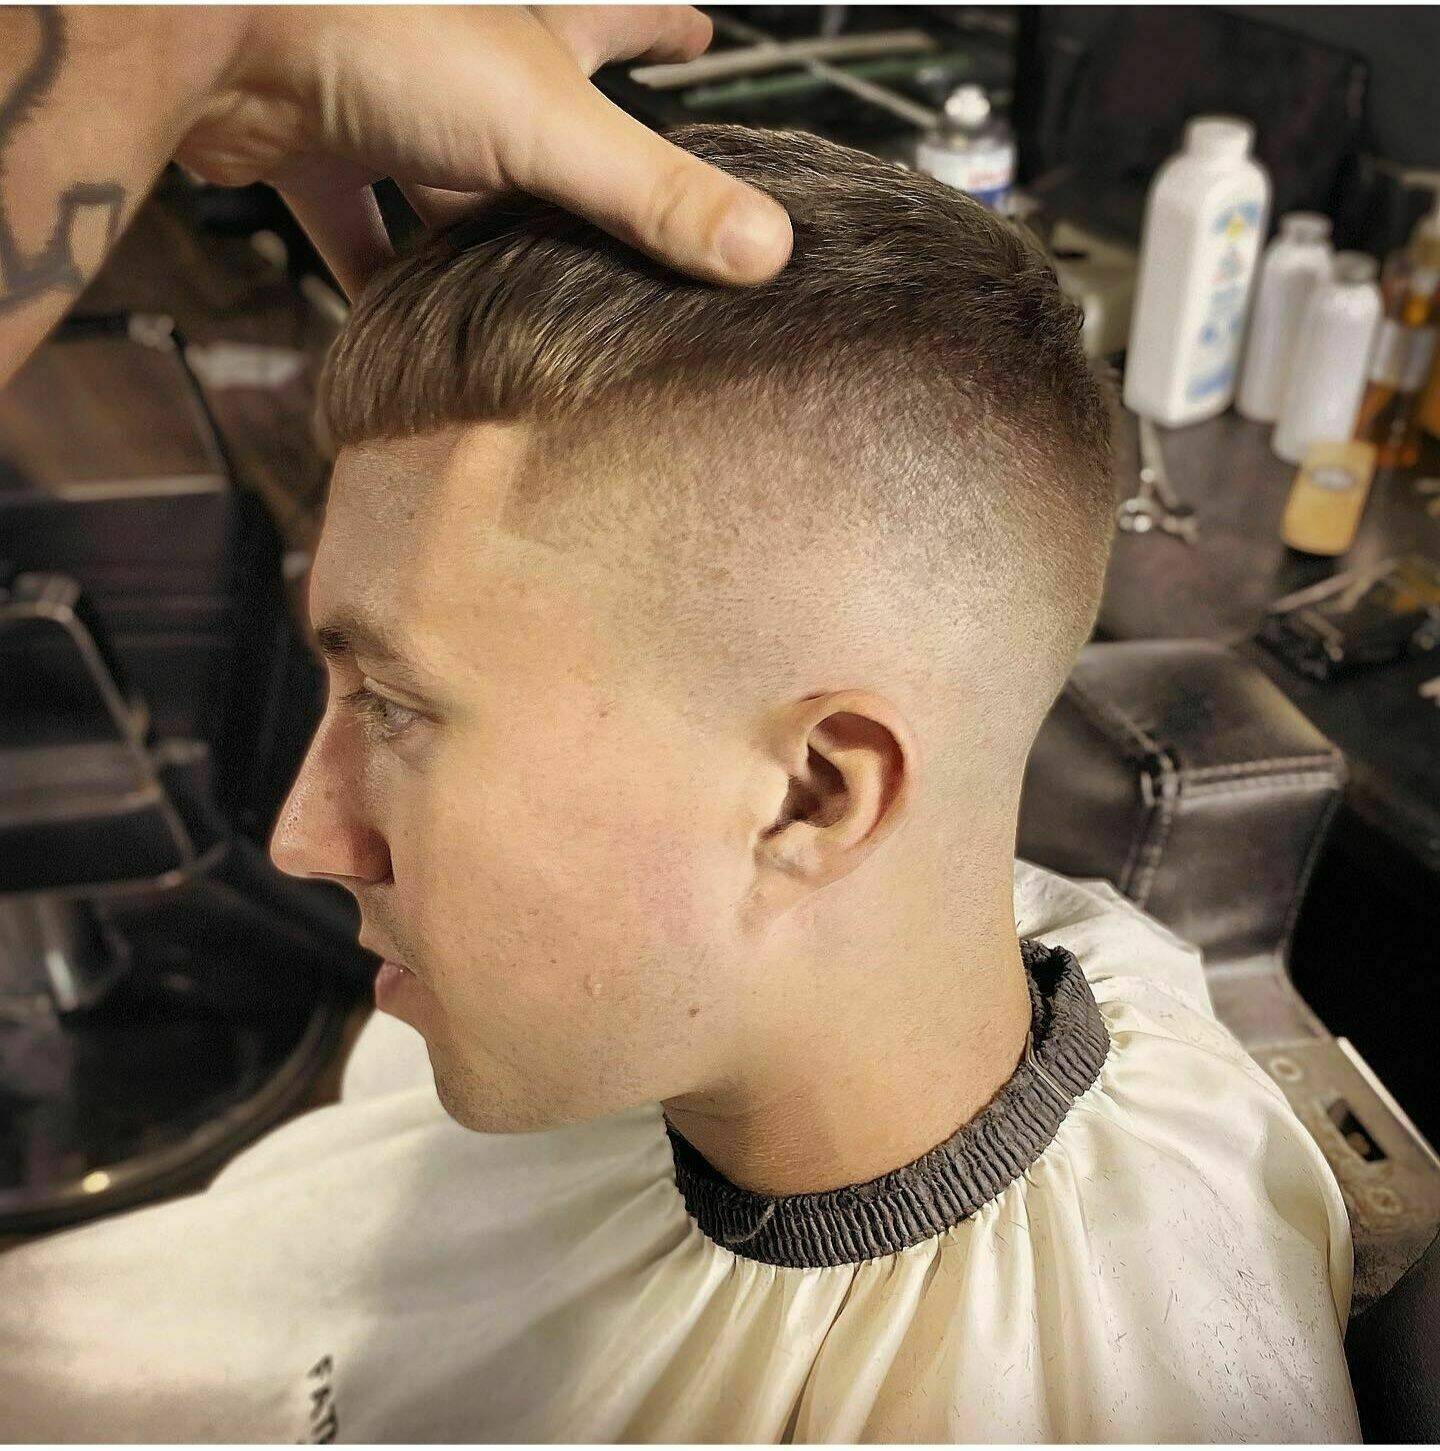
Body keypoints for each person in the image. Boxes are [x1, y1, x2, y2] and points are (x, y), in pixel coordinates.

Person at [0, 7, 1359, 1444]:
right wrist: (171, 53)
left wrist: (147, 53)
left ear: (813, 798)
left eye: (394, 709)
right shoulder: (645, 1022)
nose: (303, 840)